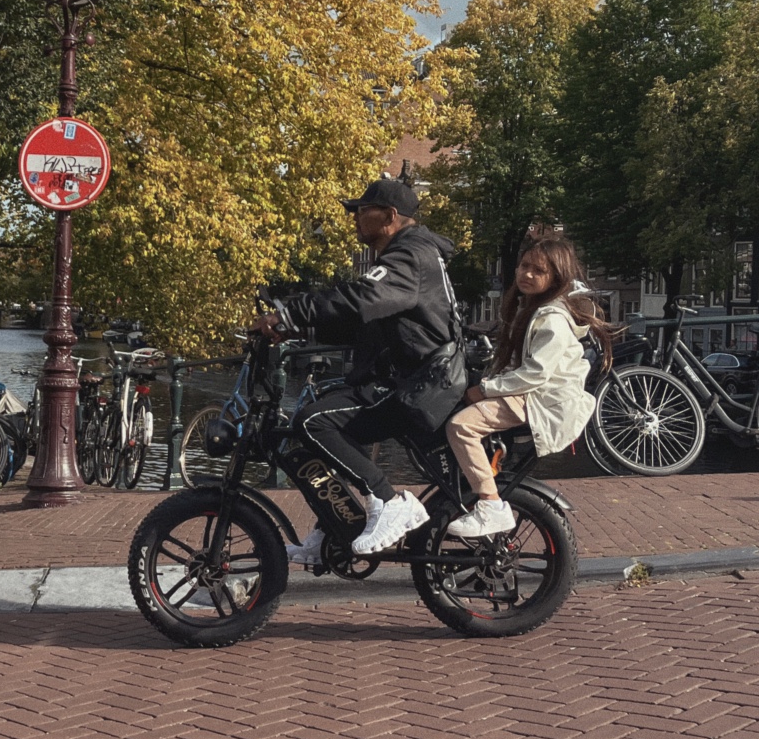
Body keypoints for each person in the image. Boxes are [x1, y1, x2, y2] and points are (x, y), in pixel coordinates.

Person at [252, 177, 457, 560]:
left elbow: (361, 298)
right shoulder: (405, 255)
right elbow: (358, 320)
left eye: (363, 211)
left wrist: (288, 314)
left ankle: (390, 499)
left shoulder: (408, 257)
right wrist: (294, 326)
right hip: (402, 377)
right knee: (324, 427)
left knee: (315, 422)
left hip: (415, 384)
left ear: (390, 217)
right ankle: (336, 527)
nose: (355, 219)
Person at [443, 237, 612, 537]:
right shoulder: (532, 309)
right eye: (524, 266)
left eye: (538, 270)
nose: (527, 274)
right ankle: (470, 483)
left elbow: (536, 374)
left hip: (542, 399)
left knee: (461, 426)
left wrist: (485, 390)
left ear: (556, 277)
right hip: (532, 394)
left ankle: (490, 504)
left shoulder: (553, 321)